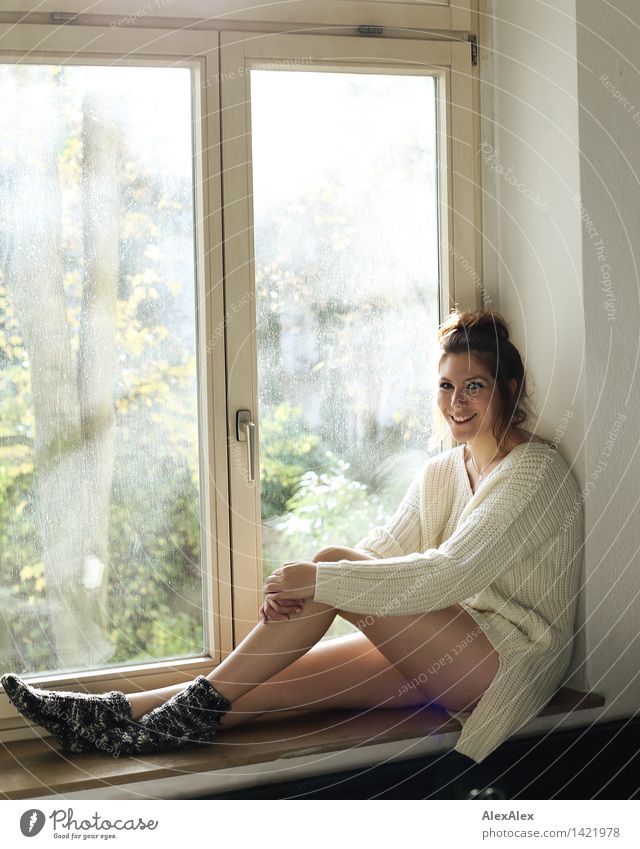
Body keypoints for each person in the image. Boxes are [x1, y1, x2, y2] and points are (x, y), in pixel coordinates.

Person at [1, 309, 583, 763]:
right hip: (448, 644)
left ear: (508, 386)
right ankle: (107, 716)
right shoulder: (441, 473)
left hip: (508, 662)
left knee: (331, 565)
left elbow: (449, 573)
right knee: (275, 687)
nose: (456, 403)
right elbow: (382, 552)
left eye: (474, 386)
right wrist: (315, 585)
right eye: (446, 386)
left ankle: (153, 715)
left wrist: (319, 577)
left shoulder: (536, 473)